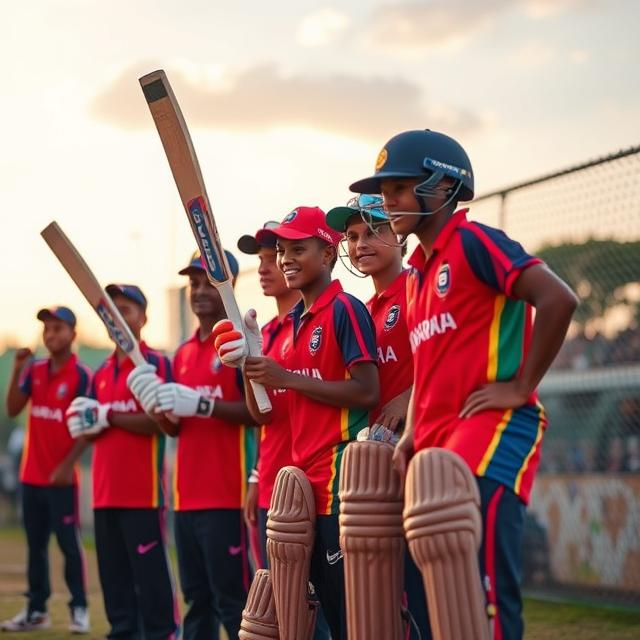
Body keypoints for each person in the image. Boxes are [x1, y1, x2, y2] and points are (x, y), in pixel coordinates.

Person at [350, 129, 578, 639]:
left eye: (401, 188)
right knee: (436, 606)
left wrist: (521, 386)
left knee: (485, 600)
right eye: (384, 192)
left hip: (491, 437)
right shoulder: (415, 276)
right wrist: (411, 434)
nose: (389, 202)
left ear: (443, 185)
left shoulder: (475, 241)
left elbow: (559, 299)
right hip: (433, 449)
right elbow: (430, 365)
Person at [213, 206, 379, 639]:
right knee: (296, 615)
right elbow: (262, 413)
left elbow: (367, 390)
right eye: (282, 249)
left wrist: (285, 377)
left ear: (327, 254)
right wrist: (251, 367)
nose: (285, 258)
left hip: (341, 484)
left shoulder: (346, 309)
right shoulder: (291, 325)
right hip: (299, 491)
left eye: (297, 249)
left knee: (350, 617)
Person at [128, 251, 256, 640]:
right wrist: (156, 407)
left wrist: (204, 404)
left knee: (233, 601)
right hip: (185, 500)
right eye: (193, 284)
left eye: (208, 284)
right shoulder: (181, 353)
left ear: (228, 287)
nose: (199, 292)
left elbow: (256, 413)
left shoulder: (240, 345)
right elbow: (173, 429)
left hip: (226, 497)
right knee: (197, 600)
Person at [326, 196, 430, 638]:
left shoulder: (418, 289)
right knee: (383, 598)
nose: (360, 243)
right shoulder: (364, 310)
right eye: (351, 236)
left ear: (401, 236)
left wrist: (409, 396)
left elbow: (449, 355)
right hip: (377, 466)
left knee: (426, 587)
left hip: (424, 456)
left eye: (373, 231)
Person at [66, 285, 179, 640]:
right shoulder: (100, 372)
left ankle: (162, 634)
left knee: (151, 581)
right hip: (104, 494)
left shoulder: (156, 363)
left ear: (143, 318)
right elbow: (90, 426)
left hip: (142, 495)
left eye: (126, 310)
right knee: (113, 581)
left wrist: (108, 415)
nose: (118, 318)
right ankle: (122, 632)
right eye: (111, 312)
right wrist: (85, 419)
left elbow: (164, 421)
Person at [2, 307, 91, 633]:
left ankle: (79, 607)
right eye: (47, 329)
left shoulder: (82, 375)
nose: (51, 334)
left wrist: (68, 466)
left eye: (58, 328)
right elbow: (13, 409)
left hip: (63, 481)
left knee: (68, 545)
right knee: (35, 546)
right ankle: (36, 610)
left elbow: (89, 428)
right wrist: (17, 369)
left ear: (72, 334)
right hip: (31, 478)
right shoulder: (34, 370)